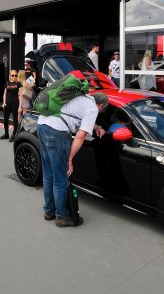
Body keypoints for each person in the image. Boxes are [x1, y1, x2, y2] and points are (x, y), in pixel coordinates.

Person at [38, 92, 108, 227]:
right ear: (99, 105)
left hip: (42, 125)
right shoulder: (93, 108)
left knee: (48, 174)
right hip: (57, 132)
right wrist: (69, 159)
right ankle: (62, 217)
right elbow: (80, 136)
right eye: (101, 109)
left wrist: (96, 127)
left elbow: (76, 115)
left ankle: (49, 211)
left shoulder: (82, 97)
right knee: (61, 179)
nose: (99, 112)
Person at [0, 70, 22, 140]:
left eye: (15, 75)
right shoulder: (7, 83)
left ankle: (14, 134)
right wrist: (4, 102)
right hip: (7, 104)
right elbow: (5, 94)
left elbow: (21, 95)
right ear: (10, 76)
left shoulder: (18, 84)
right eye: (12, 75)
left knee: (15, 120)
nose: (14, 77)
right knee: (5, 120)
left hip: (15, 104)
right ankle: (6, 134)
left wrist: (20, 106)